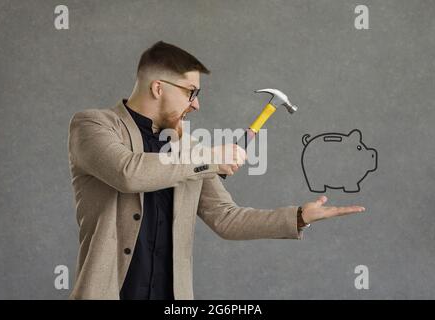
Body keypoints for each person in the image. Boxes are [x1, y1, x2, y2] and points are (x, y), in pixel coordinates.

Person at [67, 41, 365, 300]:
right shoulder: (93, 125)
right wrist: (209, 158)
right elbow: (127, 173)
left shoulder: (189, 148)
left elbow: (226, 218)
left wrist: (298, 217)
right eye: (192, 92)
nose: (196, 105)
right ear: (158, 87)